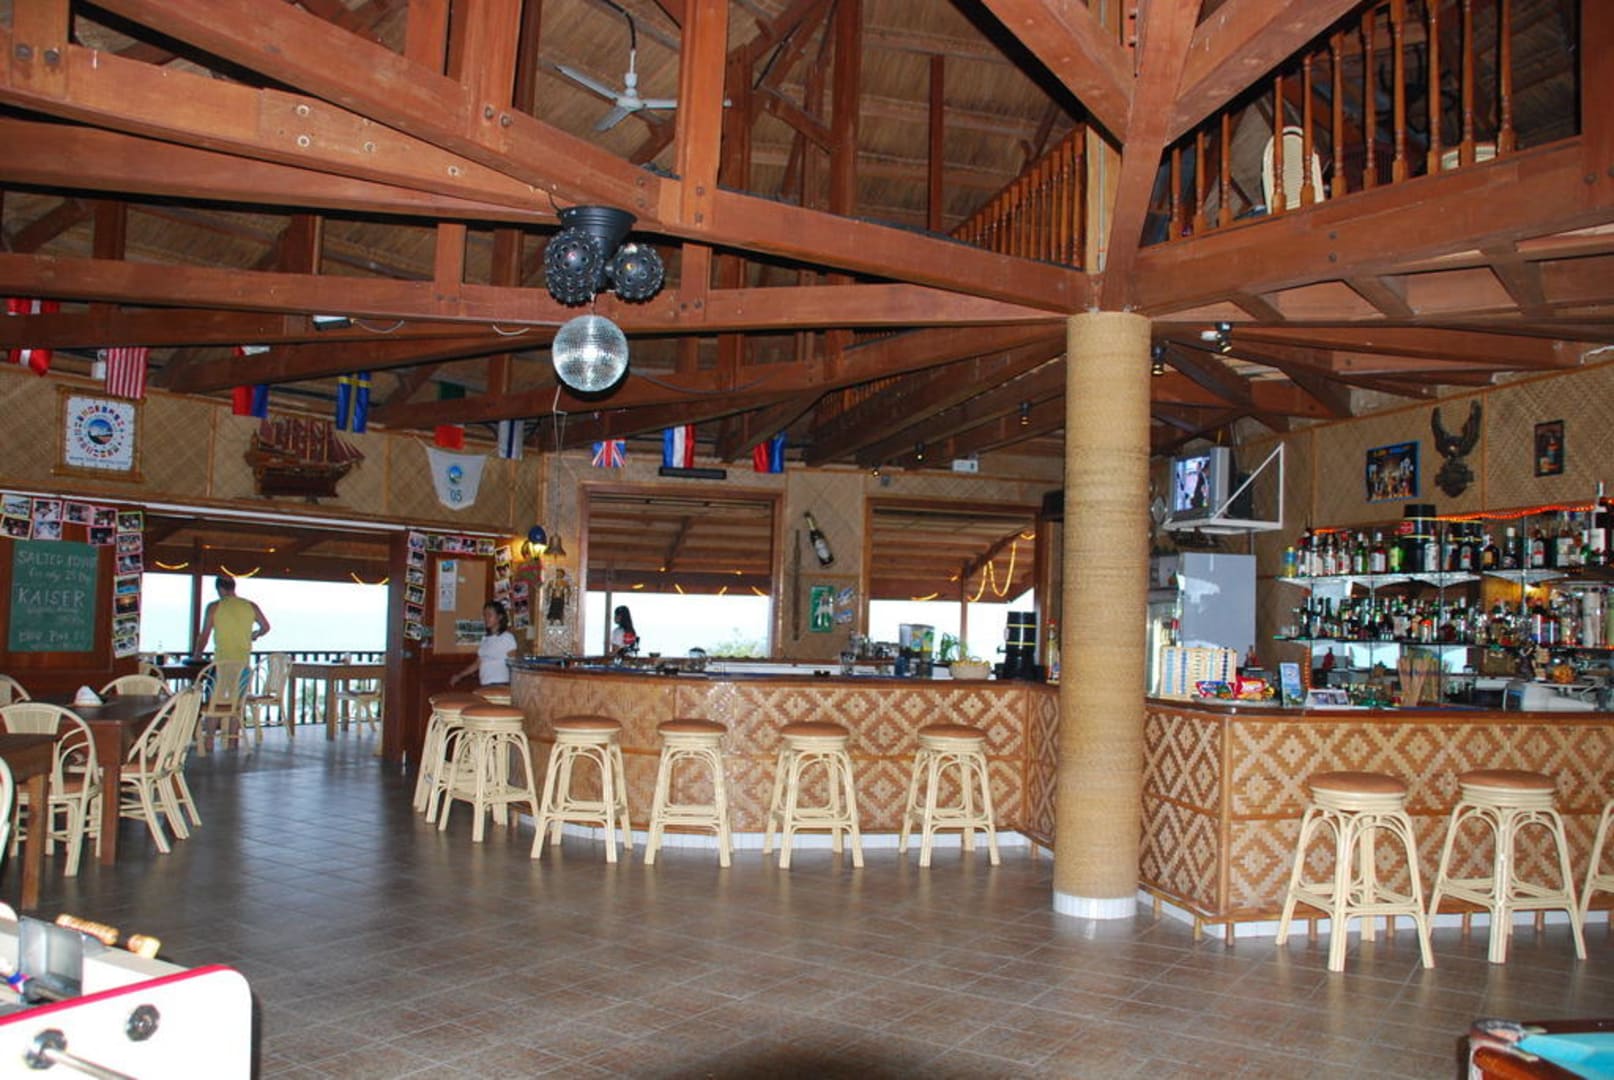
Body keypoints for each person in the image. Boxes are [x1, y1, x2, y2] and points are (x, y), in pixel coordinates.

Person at [195, 575, 270, 662]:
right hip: (244, 663)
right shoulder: (251, 605)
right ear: (233, 587)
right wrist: (255, 635)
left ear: (220, 589)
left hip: (223, 663)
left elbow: (204, 636)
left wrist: (197, 655)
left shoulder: (213, 607)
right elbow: (265, 627)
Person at [450, 601, 517, 688]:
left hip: (500, 684)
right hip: (485, 684)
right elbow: (478, 663)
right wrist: (460, 675)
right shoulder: (485, 639)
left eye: (489, 615)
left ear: (500, 617)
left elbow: (513, 662)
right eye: (485, 615)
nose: (486, 618)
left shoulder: (507, 637)